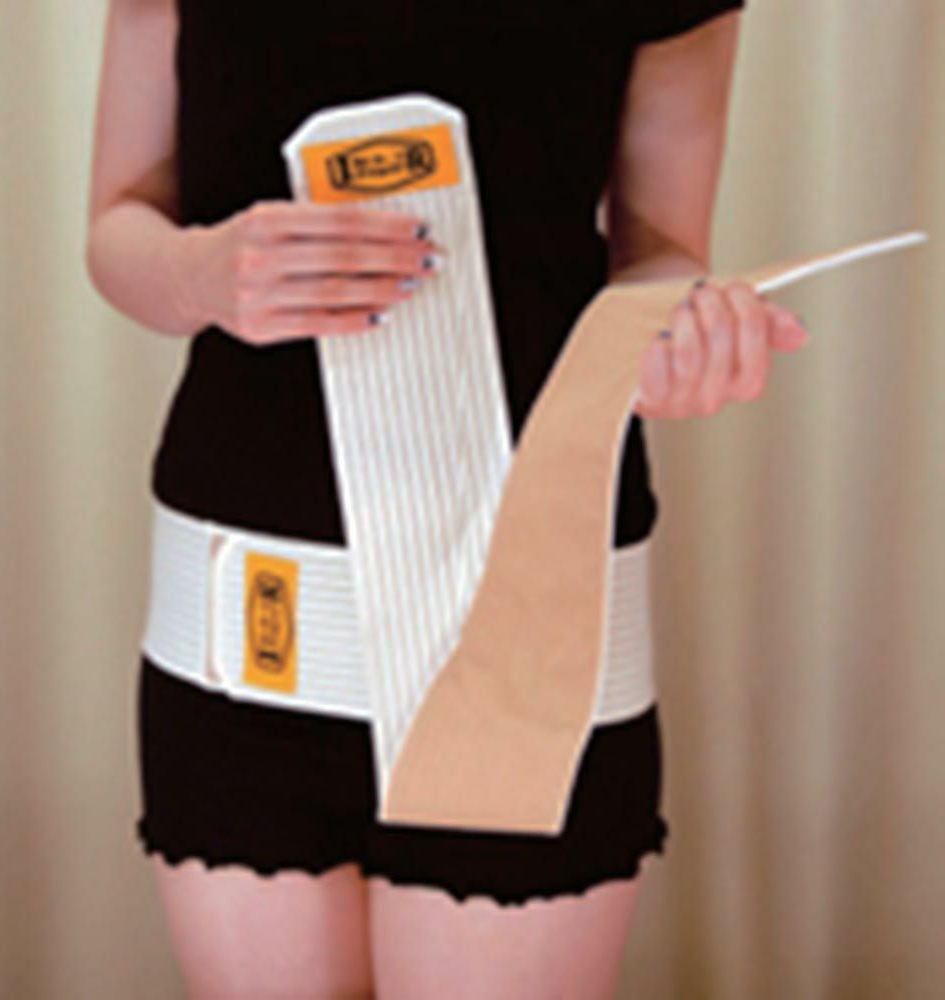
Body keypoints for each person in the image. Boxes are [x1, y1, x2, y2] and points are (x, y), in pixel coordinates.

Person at [86, 0, 807, 996]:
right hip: (251, 586)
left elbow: (660, 246)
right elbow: (119, 217)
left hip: (531, 589)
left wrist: (676, 336)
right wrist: (196, 274)